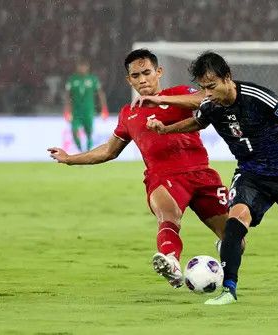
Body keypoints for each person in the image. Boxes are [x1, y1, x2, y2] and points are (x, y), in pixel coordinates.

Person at [147, 51, 278, 305]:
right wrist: (166, 129)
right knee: (234, 224)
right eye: (203, 88)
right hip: (250, 173)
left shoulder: (257, 97)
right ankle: (229, 290)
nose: (208, 93)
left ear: (228, 77)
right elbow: (198, 122)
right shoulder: (210, 105)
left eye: (212, 86)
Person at [49, 49, 230, 287]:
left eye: (147, 73)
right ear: (129, 80)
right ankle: (171, 262)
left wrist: (160, 99)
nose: (142, 79)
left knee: (234, 239)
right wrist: (70, 158)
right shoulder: (128, 113)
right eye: (136, 76)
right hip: (163, 176)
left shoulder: (178, 94)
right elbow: (108, 151)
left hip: (201, 174)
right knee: (168, 216)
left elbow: (205, 99)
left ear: (159, 72)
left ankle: (226, 252)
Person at [63, 59, 109, 152]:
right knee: (74, 131)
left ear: (88, 67)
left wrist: (104, 109)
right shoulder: (72, 79)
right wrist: (66, 110)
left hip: (88, 111)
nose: (82, 68)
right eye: (81, 66)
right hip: (75, 112)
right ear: (77, 67)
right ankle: (80, 150)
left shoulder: (93, 79)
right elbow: (67, 96)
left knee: (89, 133)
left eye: (84, 66)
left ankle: (87, 151)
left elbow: (100, 94)